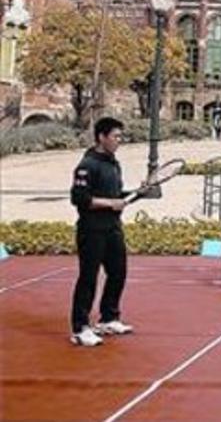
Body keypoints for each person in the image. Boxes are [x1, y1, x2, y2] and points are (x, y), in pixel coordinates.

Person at [68, 117, 147, 347]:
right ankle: (80, 328)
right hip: (92, 230)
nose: (119, 141)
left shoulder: (113, 162)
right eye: (116, 136)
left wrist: (138, 193)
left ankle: (109, 318)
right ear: (101, 137)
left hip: (113, 228)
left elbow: (117, 194)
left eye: (121, 136)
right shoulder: (87, 165)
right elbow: (80, 199)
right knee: (88, 278)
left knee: (118, 272)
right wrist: (110, 204)